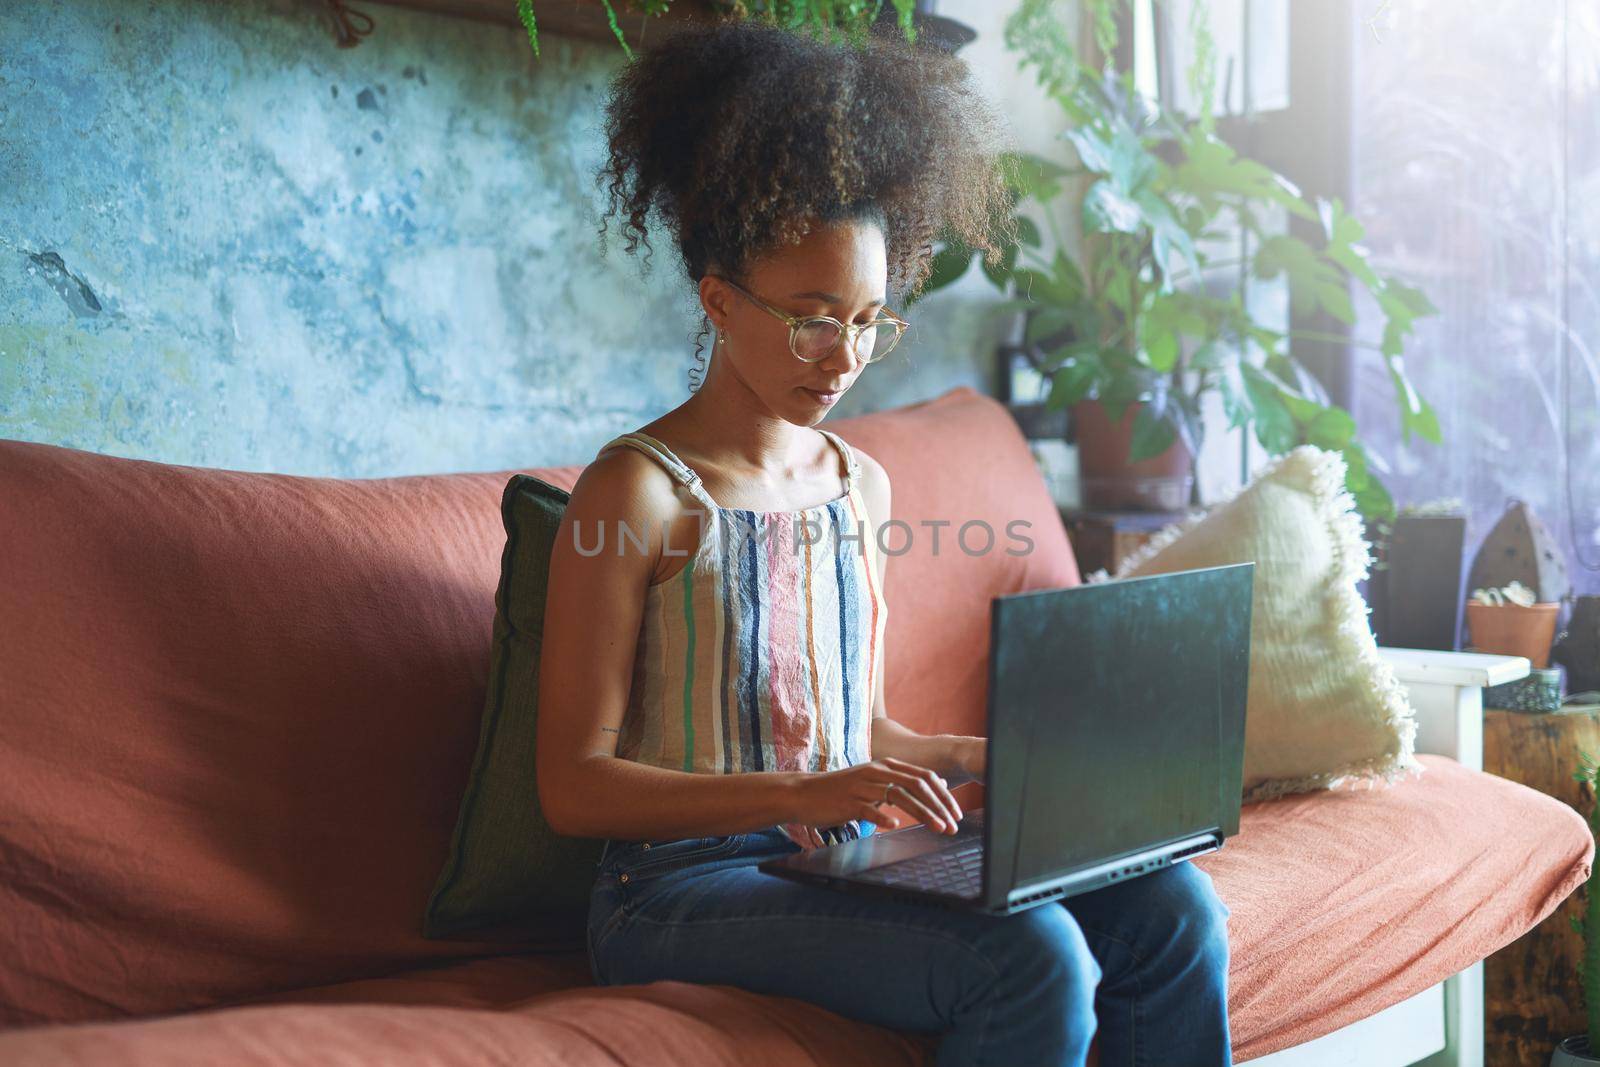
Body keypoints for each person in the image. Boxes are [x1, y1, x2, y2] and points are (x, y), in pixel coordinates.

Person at [535, 20, 1233, 1067]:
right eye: (813, 317)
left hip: (837, 853)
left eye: (869, 318)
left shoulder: (856, 482)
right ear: (718, 301)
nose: (846, 354)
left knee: (1170, 903)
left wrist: (994, 762)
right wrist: (801, 795)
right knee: (1028, 953)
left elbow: (852, 732)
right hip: (676, 887)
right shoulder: (633, 489)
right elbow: (575, 784)